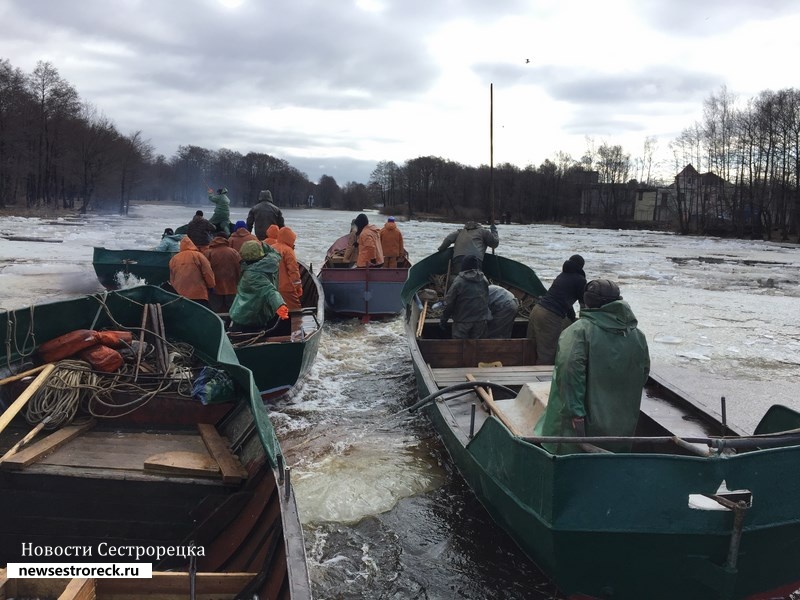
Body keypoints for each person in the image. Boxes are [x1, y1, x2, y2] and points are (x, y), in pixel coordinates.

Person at [533, 280, 650, 455]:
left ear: (587, 302)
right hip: (621, 428)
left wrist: (576, 413)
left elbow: (568, 374)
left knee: (568, 455)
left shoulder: (579, 331)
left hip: (578, 431)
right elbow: (643, 374)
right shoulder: (638, 336)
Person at [527, 254, 587, 365]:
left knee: (531, 349)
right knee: (548, 354)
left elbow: (565, 301)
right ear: (581, 267)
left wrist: (572, 317)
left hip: (537, 310)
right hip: (550, 316)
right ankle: (540, 382)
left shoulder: (562, 276)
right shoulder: (580, 280)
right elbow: (583, 304)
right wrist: (585, 322)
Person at [229, 240, 289, 333]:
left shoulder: (252, 274)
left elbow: (269, 290)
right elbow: (275, 253)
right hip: (262, 313)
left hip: (248, 317)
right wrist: (263, 244)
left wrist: (280, 305)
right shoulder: (271, 261)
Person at [439, 255, 490, 339]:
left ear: (463, 266)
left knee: (459, 347)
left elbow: (449, 303)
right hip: (480, 321)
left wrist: (444, 319)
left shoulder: (459, 281)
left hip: (462, 321)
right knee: (477, 346)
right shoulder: (484, 279)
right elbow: (486, 298)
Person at [168, 236, 216, 307]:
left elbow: (172, 278)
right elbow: (207, 272)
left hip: (180, 295)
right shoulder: (199, 256)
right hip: (199, 294)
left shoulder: (174, 259)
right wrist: (211, 285)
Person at [202, 230, 241, 313]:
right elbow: (239, 268)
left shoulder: (208, 252)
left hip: (215, 287)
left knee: (214, 310)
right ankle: (230, 324)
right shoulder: (233, 252)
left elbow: (205, 270)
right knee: (232, 309)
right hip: (231, 286)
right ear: (226, 239)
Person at [273, 226, 303, 310]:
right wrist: (298, 286)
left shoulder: (271, 248)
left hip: (271, 288)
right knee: (295, 310)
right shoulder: (288, 251)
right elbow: (293, 270)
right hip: (286, 288)